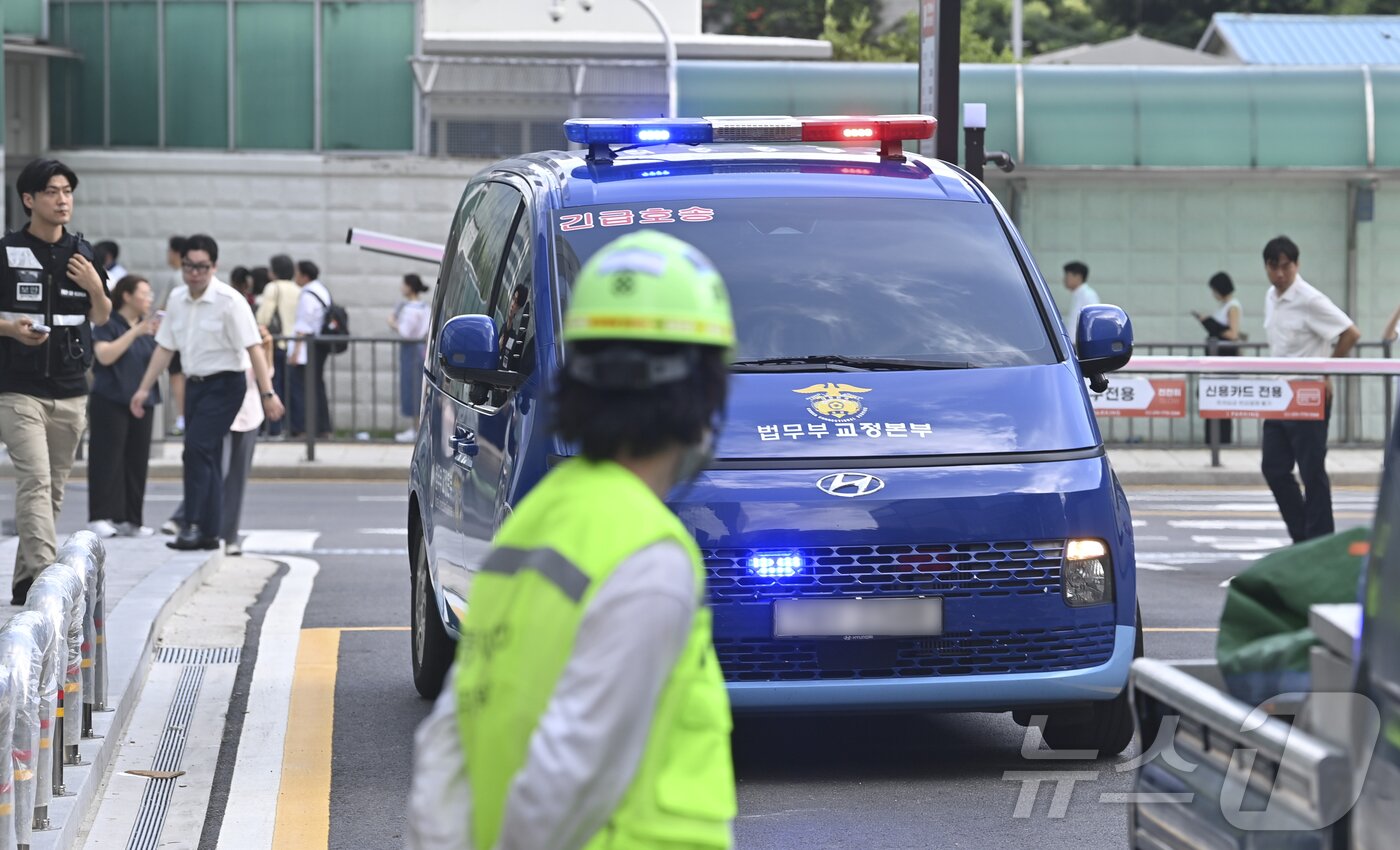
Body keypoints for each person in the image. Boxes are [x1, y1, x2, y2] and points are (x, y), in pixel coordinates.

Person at [407, 231, 738, 850]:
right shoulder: (649, 555)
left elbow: (449, 742)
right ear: (699, 397)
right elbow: (569, 772)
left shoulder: (531, 524)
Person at [0, 158, 112, 604]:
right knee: (36, 481)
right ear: (29, 199)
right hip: (16, 388)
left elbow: (101, 317)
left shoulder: (84, 253)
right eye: (52, 191)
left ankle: (27, 581)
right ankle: (48, 586)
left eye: (67, 191)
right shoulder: (6, 252)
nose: (63, 199)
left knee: (55, 486)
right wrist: (11, 329)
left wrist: (95, 287)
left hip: (70, 390)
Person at [128, 234, 284, 551]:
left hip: (226, 384)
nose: (194, 273)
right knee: (207, 456)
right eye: (189, 266)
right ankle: (211, 532)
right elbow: (165, 349)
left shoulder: (230, 301)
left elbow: (254, 348)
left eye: (201, 267)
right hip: (195, 385)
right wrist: (142, 389)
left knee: (196, 450)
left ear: (214, 267)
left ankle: (193, 524)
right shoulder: (176, 299)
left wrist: (268, 394)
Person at [1260, 236, 1362, 543]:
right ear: (1266, 267)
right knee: (1274, 468)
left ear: (1296, 265)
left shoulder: (1309, 298)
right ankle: (1305, 537)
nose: (1280, 274)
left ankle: (1320, 542)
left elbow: (1350, 332)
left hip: (1308, 395)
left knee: (1311, 472)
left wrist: (1327, 370)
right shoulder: (1271, 296)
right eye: (1274, 267)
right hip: (1279, 396)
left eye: (1286, 267)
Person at [88, 275, 162, 538]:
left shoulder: (148, 328)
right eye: (145, 293)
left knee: (137, 461)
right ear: (128, 295)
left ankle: (132, 520)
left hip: (142, 401)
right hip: (110, 399)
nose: (149, 299)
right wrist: (135, 332)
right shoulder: (109, 323)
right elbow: (105, 355)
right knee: (106, 459)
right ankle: (99, 516)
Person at [1193, 272, 1245, 445]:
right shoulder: (1223, 306)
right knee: (1210, 401)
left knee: (1223, 404)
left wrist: (1212, 325)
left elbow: (1233, 333)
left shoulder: (1233, 306)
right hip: (1215, 363)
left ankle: (1222, 442)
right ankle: (1213, 441)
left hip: (1224, 362)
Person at [254, 254, 300, 438]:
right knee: (291, 387)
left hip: (275, 342)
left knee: (273, 385)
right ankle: (290, 427)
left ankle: (273, 428)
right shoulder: (298, 288)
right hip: (294, 343)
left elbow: (263, 317)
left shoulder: (273, 288)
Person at [288, 259, 333, 438]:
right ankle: (323, 428)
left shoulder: (307, 295)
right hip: (318, 346)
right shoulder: (320, 290)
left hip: (307, 349)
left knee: (301, 389)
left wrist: (295, 352)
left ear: (304, 276)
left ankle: (302, 429)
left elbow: (303, 325)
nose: (295, 277)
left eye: (297, 273)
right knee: (316, 388)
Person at [390, 273, 431, 443]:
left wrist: (392, 322)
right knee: (418, 387)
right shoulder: (425, 307)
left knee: (411, 387)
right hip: (422, 350)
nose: (401, 287)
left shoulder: (409, 309)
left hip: (411, 351)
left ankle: (415, 428)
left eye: (403, 284)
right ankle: (417, 426)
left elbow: (406, 332)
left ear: (409, 287)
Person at [156, 236, 190, 436]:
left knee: (177, 378)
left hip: (178, 336)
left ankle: (182, 418)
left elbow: (165, 307)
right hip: (190, 336)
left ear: (176, 253)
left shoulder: (177, 277)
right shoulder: (184, 276)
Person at [1063, 260, 1099, 342]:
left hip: (1081, 346)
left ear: (1078, 277)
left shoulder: (1088, 295)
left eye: (1068, 276)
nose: (1065, 279)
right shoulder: (1077, 294)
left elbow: (1093, 323)